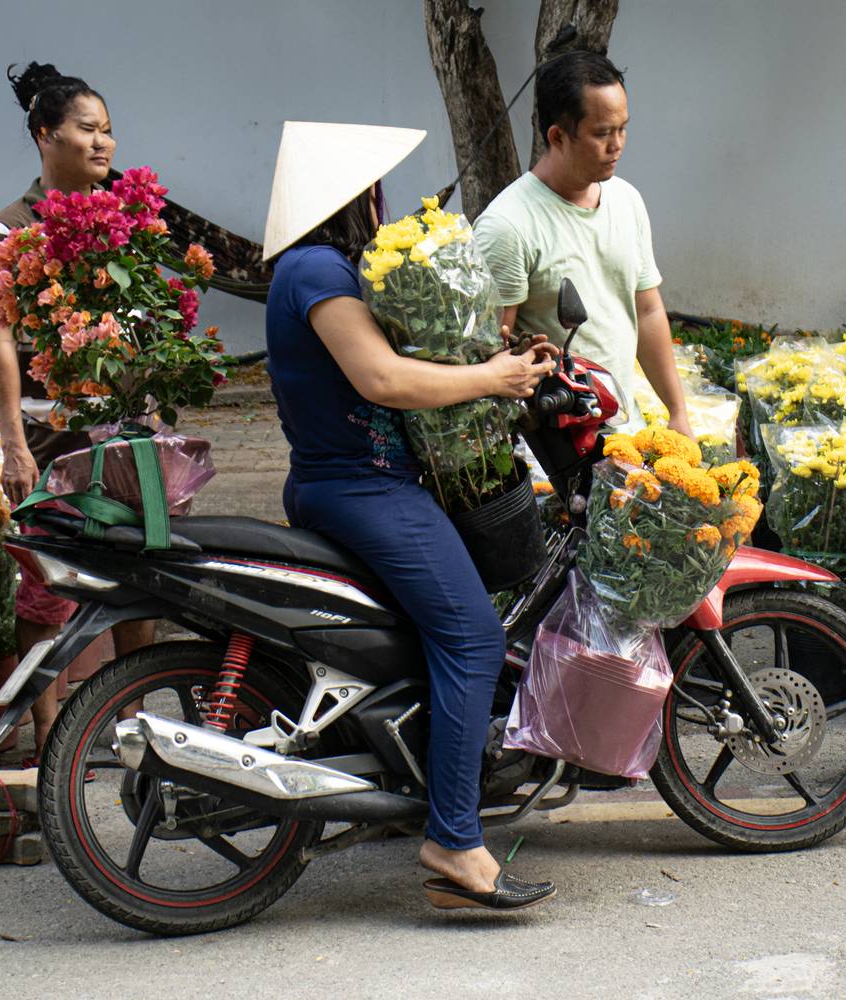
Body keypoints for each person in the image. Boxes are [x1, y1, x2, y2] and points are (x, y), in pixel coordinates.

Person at [261, 122, 557, 911]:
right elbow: (384, 379)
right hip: (362, 488)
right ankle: (454, 841)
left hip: (358, 484)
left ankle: (419, 788)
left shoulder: (323, 270)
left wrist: (490, 356)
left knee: (438, 630)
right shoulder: (315, 269)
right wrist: (492, 380)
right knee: (473, 636)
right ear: (351, 197)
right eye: (373, 190)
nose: (382, 204)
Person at [0, 62, 153, 762]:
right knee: (48, 586)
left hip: (129, 429)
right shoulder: (11, 228)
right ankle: (52, 738)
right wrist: (14, 445)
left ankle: (135, 726)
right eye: (87, 129)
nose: (103, 142)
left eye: (108, 130)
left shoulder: (127, 217)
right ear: (45, 135)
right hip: (52, 435)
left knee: (142, 571)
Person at [473, 50, 692, 438]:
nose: (617, 144)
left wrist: (677, 411)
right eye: (602, 133)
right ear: (557, 136)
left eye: (623, 129)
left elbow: (648, 310)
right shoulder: (507, 226)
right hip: (552, 445)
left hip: (623, 428)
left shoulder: (626, 200)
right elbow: (490, 357)